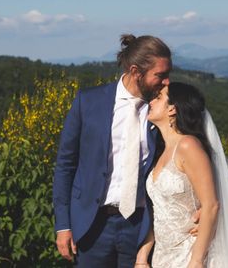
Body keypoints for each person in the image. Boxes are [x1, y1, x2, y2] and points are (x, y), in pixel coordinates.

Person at [53, 34, 172, 267]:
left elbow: (184, 156)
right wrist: (63, 225)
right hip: (91, 225)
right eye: (161, 75)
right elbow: (65, 166)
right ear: (136, 71)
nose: (167, 82)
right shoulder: (87, 102)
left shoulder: (164, 108)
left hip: (141, 227)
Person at [140, 82, 228, 268]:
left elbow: (211, 205)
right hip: (163, 257)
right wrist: (142, 257)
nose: (151, 102)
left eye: (158, 98)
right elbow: (158, 211)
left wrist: (196, 261)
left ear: (172, 109)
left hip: (190, 254)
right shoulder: (161, 151)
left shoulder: (188, 146)